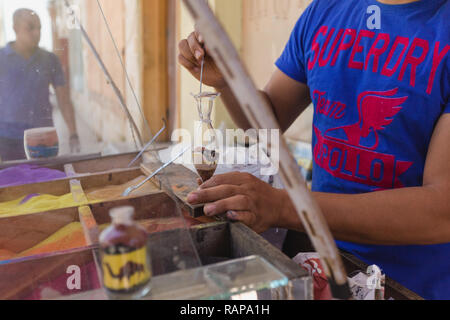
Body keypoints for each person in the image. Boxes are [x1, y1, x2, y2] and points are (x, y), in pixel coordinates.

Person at [178, 0, 450, 300]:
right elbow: (270, 119)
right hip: (323, 268)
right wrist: (227, 81)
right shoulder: (326, 10)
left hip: (411, 285)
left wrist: (283, 206)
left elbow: (442, 209)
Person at [0, 8, 79, 162]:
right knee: (14, 183)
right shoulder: (1, 59)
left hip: (45, 138)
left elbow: (63, 99)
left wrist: (73, 133)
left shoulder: (50, 60)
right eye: (30, 27)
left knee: (45, 180)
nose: (36, 32)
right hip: (7, 139)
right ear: (15, 28)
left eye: (39, 28)